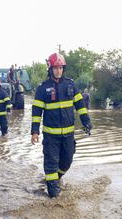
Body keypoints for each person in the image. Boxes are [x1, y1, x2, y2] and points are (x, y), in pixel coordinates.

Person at [31, 53, 92, 198]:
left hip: (68, 135)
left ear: (63, 69)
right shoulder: (42, 88)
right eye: (55, 68)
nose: (58, 71)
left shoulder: (71, 85)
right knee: (51, 163)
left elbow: (80, 106)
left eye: (60, 68)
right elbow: (36, 112)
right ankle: (54, 197)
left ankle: (54, 180)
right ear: (50, 69)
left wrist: (86, 122)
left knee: (67, 162)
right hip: (51, 136)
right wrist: (35, 132)